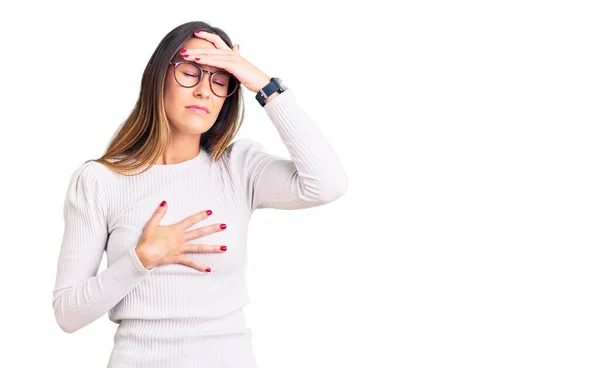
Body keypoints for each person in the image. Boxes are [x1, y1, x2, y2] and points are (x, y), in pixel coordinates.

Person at [52, 20, 347, 367]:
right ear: (158, 77)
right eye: (190, 72)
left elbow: (327, 184)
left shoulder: (239, 167)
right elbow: (68, 314)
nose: (204, 91)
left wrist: (263, 85)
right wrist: (141, 259)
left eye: (219, 80)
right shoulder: (100, 180)